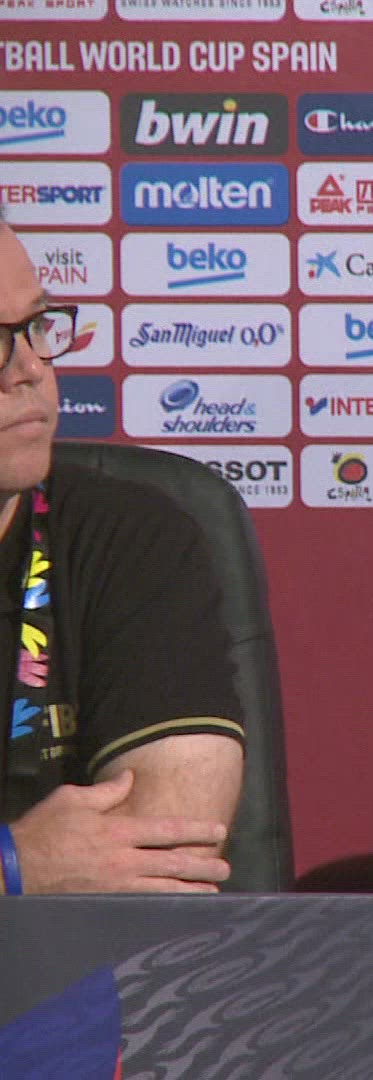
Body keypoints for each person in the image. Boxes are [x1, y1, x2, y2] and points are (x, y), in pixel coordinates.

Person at [0, 214, 245, 894]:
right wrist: (17, 865)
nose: (29, 370)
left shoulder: (130, 539)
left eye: (36, 327)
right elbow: (54, 869)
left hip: (74, 965)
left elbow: (166, 853)